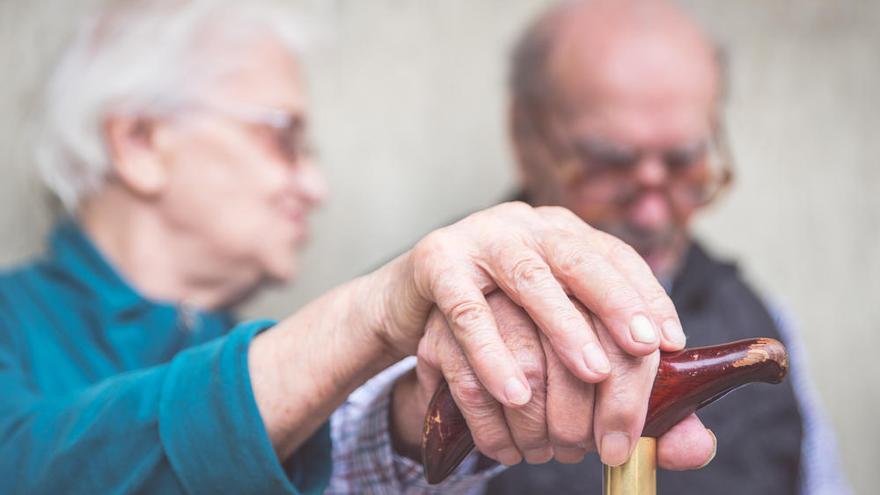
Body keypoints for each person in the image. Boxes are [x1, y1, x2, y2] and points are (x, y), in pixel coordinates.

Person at [0, 1, 716, 494]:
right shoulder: (13, 325)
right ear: (140, 142)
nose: (314, 185)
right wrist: (368, 313)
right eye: (283, 138)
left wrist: (436, 408)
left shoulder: (260, 352)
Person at [479, 0, 850, 494]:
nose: (651, 216)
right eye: (608, 164)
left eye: (683, 163)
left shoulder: (763, 320)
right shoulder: (442, 329)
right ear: (525, 139)